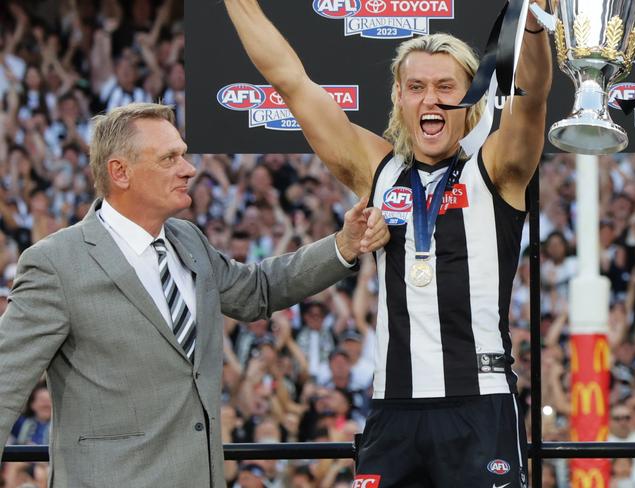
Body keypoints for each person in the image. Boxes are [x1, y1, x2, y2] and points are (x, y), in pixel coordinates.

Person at [225, 0, 552, 485]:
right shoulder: (377, 169)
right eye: (415, 87)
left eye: (445, 87)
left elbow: (532, 98)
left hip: (479, 406)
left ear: (471, 97)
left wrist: (532, 26)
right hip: (392, 410)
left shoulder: (496, 170)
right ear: (398, 97)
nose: (430, 100)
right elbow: (289, 80)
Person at [0, 102, 390, 488]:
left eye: (183, 155)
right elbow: (5, 381)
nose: (189, 169)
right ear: (120, 172)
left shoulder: (188, 240)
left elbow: (257, 290)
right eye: (170, 158)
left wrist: (343, 244)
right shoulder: (56, 263)